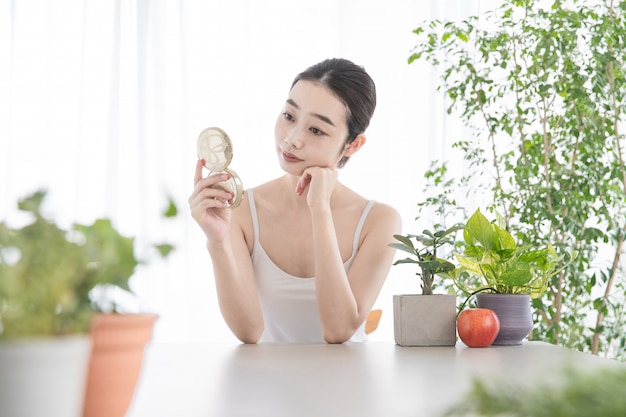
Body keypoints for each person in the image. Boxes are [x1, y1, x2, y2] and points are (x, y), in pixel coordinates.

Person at [189, 58, 401, 343]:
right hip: (264, 384)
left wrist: (320, 209)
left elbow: (339, 330)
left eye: (316, 130)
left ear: (352, 145)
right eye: (289, 116)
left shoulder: (379, 221)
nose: (291, 139)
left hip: (347, 385)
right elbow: (249, 331)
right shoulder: (242, 209)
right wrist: (217, 242)